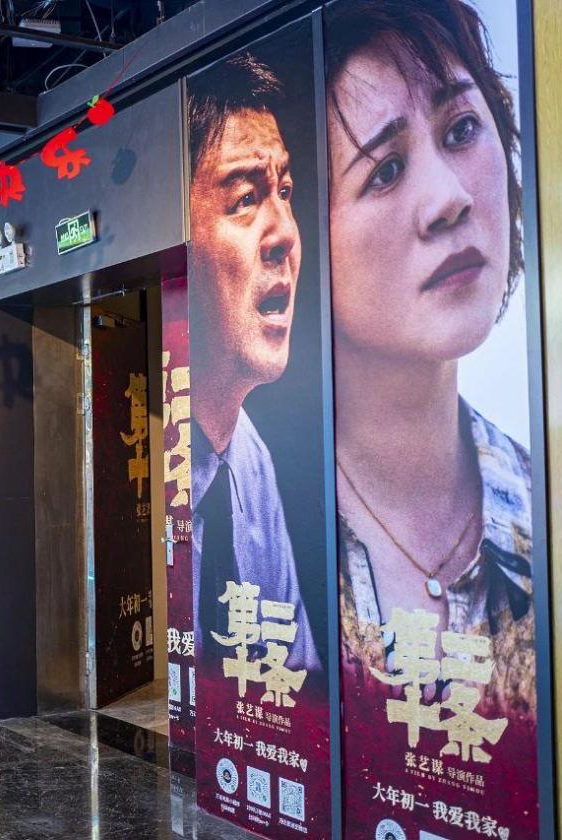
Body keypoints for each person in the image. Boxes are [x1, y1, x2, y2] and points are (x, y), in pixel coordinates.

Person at [325, 0, 533, 718]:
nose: (449, 198)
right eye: (385, 171)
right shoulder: (266, 523)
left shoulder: (544, 503)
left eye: (462, 130)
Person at [186, 51, 320, 671]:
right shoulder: (146, 453)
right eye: (245, 198)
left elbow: (296, 670)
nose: (285, 232)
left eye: (284, 193)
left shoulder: (252, 461)